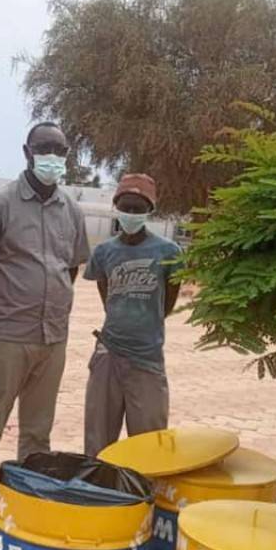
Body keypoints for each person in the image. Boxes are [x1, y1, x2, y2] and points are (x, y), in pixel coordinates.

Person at [0, 122, 90, 550]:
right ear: (27, 152)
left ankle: (24, 523)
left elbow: (70, 269)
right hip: (6, 338)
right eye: (44, 148)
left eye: (60, 149)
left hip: (53, 340)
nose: (52, 156)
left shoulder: (72, 209)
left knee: (37, 438)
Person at [82, 174, 182, 457]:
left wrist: (146, 323)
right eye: (126, 207)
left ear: (150, 210)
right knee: (98, 443)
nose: (131, 214)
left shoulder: (168, 251)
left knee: (149, 445)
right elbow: (107, 295)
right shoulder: (104, 252)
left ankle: (142, 498)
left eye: (139, 208)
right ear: (116, 207)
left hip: (147, 358)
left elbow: (168, 302)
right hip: (109, 354)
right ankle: (99, 494)